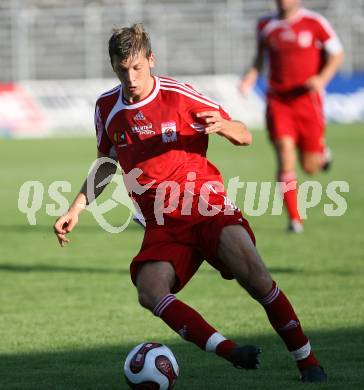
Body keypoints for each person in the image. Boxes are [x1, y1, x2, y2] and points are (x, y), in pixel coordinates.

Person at [54, 24, 327, 382]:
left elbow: (244, 134)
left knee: (257, 279)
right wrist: (77, 207)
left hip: (205, 206)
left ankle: (307, 361)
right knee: (150, 292)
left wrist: (226, 128)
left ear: (151, 60)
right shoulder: (107, 107)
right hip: (163, 223)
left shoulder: (179, 96)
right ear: (113, 66)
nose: (131, 77)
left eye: (137, 67)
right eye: (122, 69)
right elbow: (107, 163)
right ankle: (231, 352)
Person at [240, 0, 344, 233]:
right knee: (285, 155)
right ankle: (295, 219)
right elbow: (259, 58)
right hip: (278, 102)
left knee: (310, 167)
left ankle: (322, 154)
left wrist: (321, 79)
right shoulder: (265, 25)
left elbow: (337, 54)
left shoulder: (315, 23)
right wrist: (251, 76)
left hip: (308, 102)